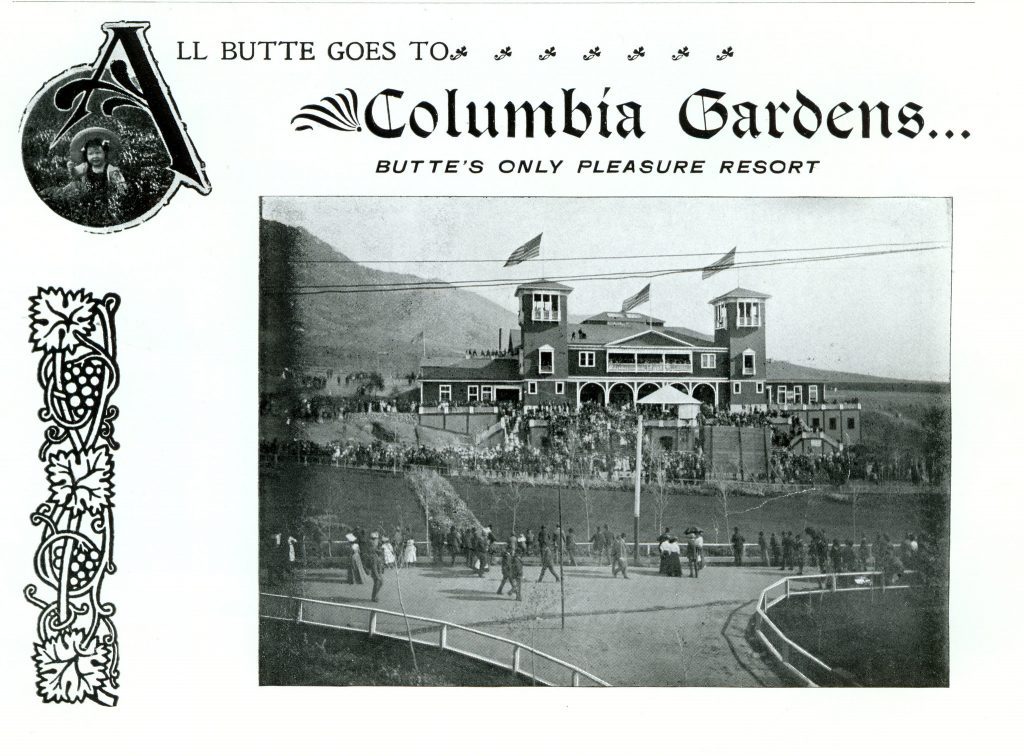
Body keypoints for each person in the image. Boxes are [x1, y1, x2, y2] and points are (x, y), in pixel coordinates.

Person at [41, 127, 128, 225]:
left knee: (103, 217)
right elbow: (74, 174)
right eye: (90, 154)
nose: (94, 156)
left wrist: (121, 187)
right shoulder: (85, 166)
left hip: (101, 198)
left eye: (98, 153)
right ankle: (48, 196)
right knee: (71, 188)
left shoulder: (110, 169)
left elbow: (121, 183)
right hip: (85, 194)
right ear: (86, 155)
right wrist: (72, 168)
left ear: (105, 153)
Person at [367, 534, 386, 602]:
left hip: (378, 569)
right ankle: (374, 597)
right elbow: (373, 565)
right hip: (376, 570)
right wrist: (377, 575)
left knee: (379, 583)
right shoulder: (372, 545)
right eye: (376, 539)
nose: (377, 541)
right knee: (378, 582)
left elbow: (378, 550)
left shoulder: (374, 545)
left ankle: (375, 596)